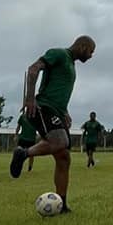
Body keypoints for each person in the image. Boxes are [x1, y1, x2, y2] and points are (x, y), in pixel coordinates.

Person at [10, 36, 96, 214]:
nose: (91, 55)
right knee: (60, 141)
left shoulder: (71, 65)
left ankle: (62, 204)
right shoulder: (59, 54)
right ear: (82, 46)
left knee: (64, 158)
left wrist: (65, 112)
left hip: (57, 111)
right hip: (43, 107)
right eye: (90, 51)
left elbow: (59, 91)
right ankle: (23, 153)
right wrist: (30, 98)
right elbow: (33, 69)